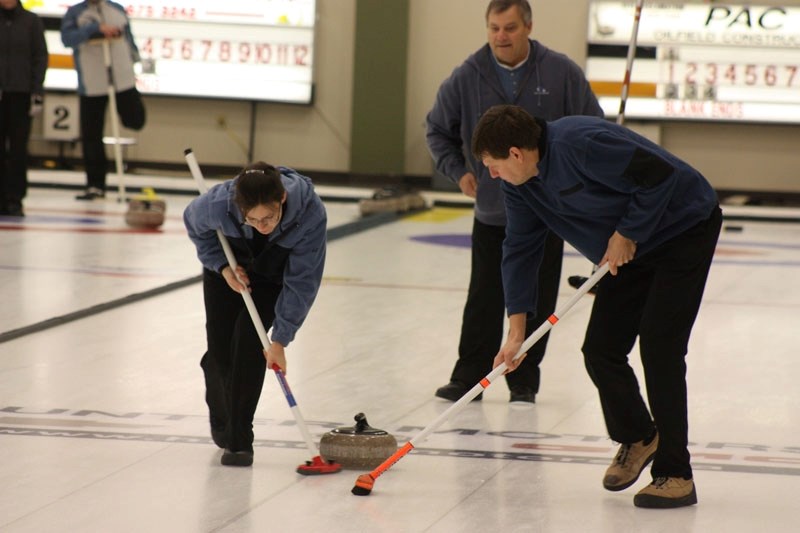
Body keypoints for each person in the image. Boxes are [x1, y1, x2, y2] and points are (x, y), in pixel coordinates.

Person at [472, 104, 721, 508]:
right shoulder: (519, 186)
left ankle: (676, 473)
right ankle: (640, 435)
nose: (493, 175)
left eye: (494, 165)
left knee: (659, 346)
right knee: (601, 349)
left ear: (516, 153)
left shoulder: (581, 143)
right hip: (627, 249)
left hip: (684, 228)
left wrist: (627, 231)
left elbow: (661, 176)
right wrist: (516, 332)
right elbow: (519, 250)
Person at [426, 0, 602, 405]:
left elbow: (591, 128)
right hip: (492, 208)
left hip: (548, 210)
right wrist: (458, 170)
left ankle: (524, 379)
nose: (500, 37)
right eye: (493, 28)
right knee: (485, 294)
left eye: (508, 28)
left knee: (538, 294)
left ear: (528, 27)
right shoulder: (468, 75)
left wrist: (576, 187)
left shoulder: (561, 72)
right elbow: (437, 129)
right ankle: (470, 374)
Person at [184, 162, 327, 467]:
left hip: (272, 275)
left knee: (250, 346)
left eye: (270, 217)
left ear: (283, 200)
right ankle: (218, 388)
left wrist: (281, 340)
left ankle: (239, 441)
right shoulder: (217, 205)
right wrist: (222, 266)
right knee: (222, 355)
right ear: (239, 208)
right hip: (228, 267)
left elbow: (303, 281)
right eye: (253, 219)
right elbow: (193, 225)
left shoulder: (310, 213)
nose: (263, 225)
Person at [60, 0, 145, 200]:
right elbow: (67, 38)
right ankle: (95, 185)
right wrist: (94, 29)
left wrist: (136, 61)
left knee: (136, 119)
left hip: (122, 79)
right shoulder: (75, 13)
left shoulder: (117, 10)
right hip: (92, 82)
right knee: (91, 135)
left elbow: (129, 39)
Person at [0, 0, 48, 217]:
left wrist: (36, 90)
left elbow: (40, 56)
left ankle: (15, 198)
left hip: (21, 94)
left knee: (19, 148)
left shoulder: (31, 21)